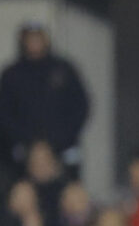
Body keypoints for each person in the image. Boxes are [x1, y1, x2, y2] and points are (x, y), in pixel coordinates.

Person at [0, 23, 89, 167]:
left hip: (64, 146)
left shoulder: (64, 69)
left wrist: (60, 137)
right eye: (30, 39)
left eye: (38, 38)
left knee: (70, 185)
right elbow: (5, 113)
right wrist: (26, 141)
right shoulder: (11, 74)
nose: (34, 43)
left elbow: (81, 106)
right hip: (23, 149)